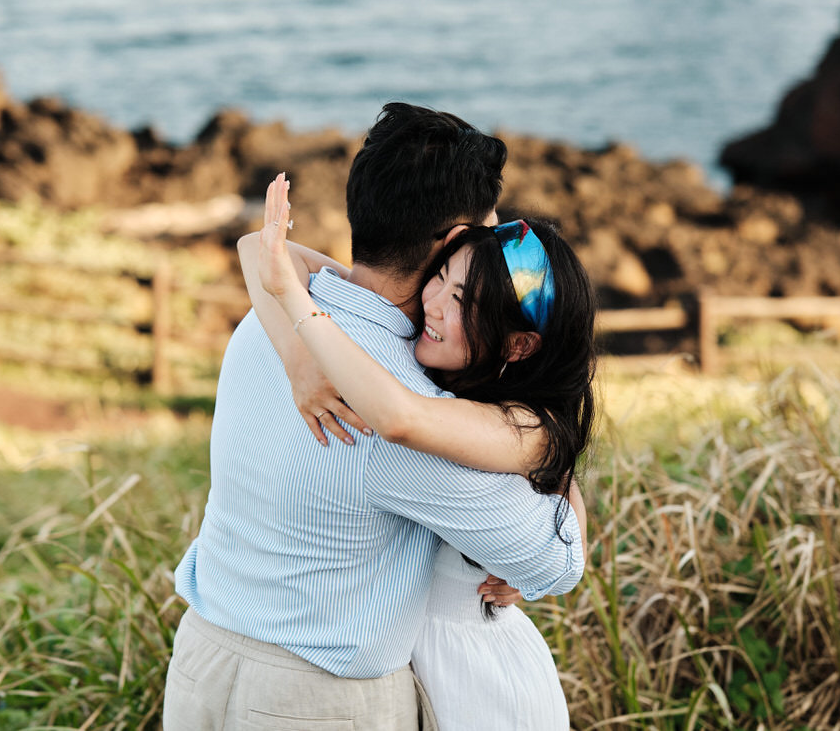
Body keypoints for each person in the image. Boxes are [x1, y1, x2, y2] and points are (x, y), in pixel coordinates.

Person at [165, 103, 585, 731]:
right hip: (314, 703)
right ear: (454, 242)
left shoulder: (269, 317)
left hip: (199, 665)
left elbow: (263, 253)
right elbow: (552, 561)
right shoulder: (403, 399)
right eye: (488, 230)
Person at [246, 172, 597, 730]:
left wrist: (295, 308)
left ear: (518, 345)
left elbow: (399, 419)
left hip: (479, 683)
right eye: (441, 277)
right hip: (415, 666)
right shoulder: (449, 378)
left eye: (461, 299)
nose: (431, 301)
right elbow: (257, 247)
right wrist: (298, 356)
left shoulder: (519, 425)